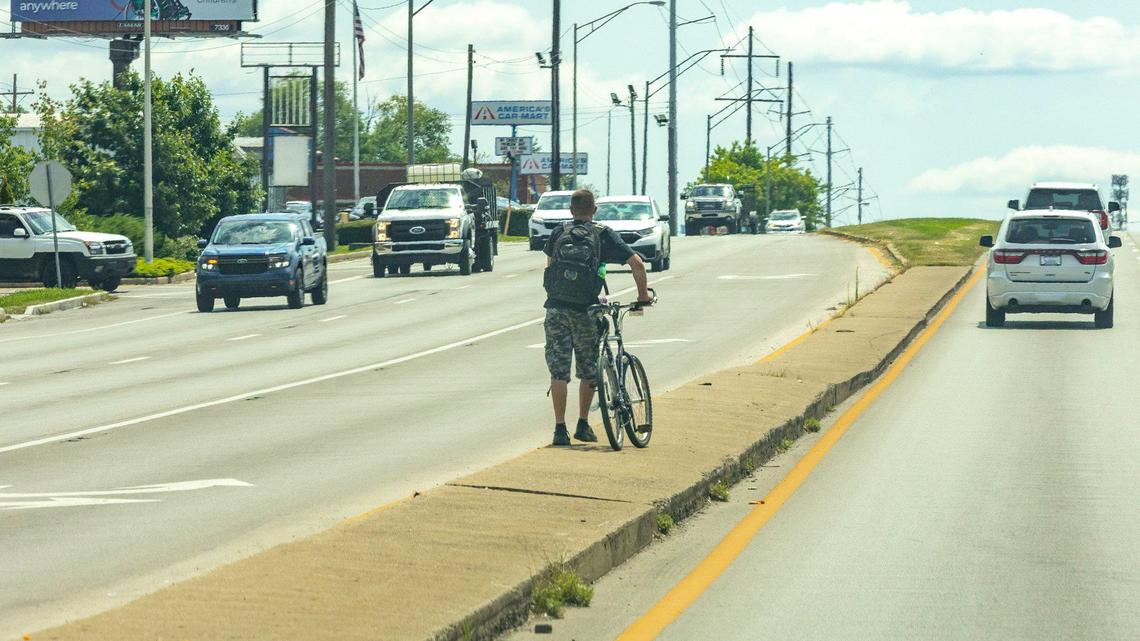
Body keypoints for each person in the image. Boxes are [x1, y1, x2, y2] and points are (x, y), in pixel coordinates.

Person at [542, 189, 652, 446]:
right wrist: (643, 296)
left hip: (556, 309)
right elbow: (637, 265)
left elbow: (550, 268)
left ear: (571, 210)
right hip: (585, 310)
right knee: (589, 368)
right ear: (594, 210)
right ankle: (583, 423)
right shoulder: (603, 233)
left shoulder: (559, 232)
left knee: (558, 371)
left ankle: (560, 429)